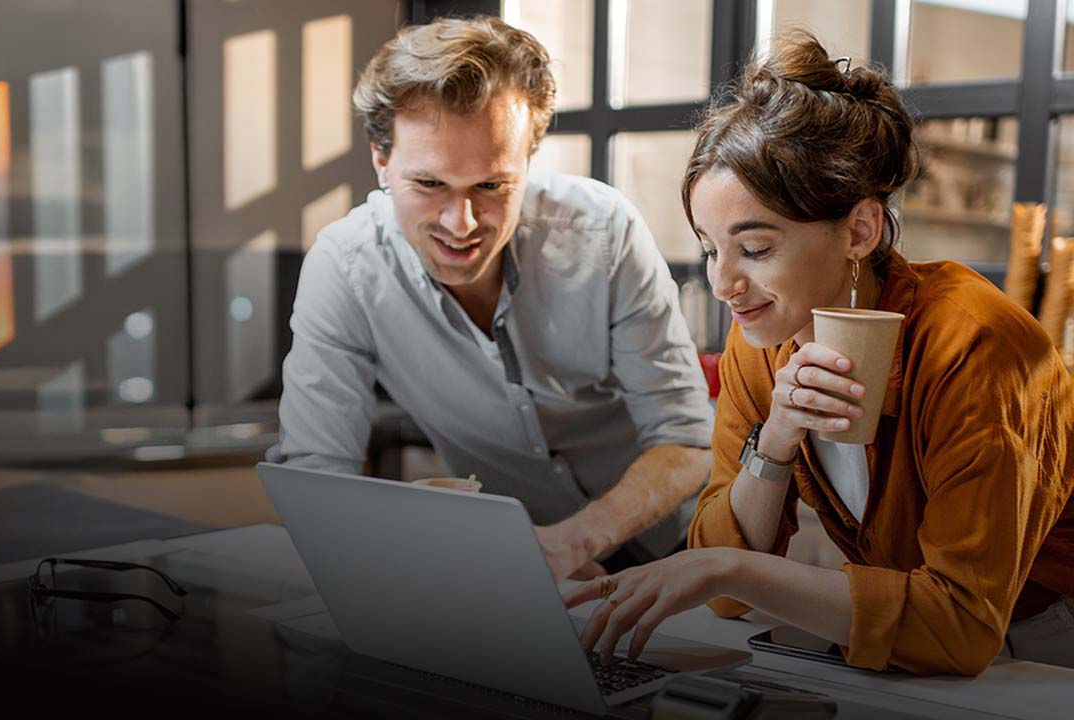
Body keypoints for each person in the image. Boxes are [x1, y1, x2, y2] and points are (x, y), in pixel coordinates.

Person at [565, 31, 1074, 674]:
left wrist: (728, 567)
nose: (724, 284)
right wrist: (774, 439)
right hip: (915, 651)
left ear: (858, 230)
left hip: (1048, 643)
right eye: (710, 248)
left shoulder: (974, 343)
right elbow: (722, 592)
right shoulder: (763, 337)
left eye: (755, 249)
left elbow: (959, 625)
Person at [265, 16, 715, 579]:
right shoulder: (345, 267)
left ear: (529, 160)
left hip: (678, 544)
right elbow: (318, 475)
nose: (462, 223)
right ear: (382, 161)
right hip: (517, 568)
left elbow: (687, 440)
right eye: (429, 185)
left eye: (492, 185)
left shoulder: (604, 232)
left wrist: (572, 544)